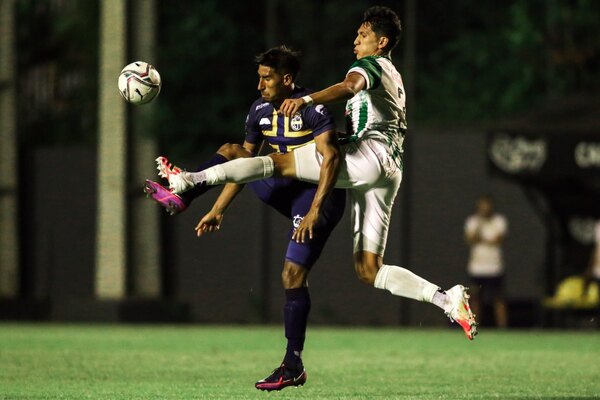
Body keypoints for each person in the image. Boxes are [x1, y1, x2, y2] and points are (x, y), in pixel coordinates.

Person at [155, 3, 477, 383]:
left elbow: (349, 86)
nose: (356, 39)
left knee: (278, 162)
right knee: (368, 269)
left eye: (363, 35)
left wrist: (308, 100)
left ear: (382, 41)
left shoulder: (370, 67)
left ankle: (189, 181)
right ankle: (446, 299)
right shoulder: (393, 73)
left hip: (368, 156)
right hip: (389, 170)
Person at [144, 46, 346, 391]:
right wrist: (219, 208)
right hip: (281, 187)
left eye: (266, 78)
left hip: (316, 199)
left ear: (287, 79)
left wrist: (314, 210)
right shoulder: (260, 111)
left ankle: (292, 363)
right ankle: (184, 195)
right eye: (259, 78)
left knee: (292, 274)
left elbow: (331, 159)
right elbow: (243, 168)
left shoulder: (313, 108)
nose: (260, 85)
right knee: (232, 150)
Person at [464, 195, 508, 328]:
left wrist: (481, 239)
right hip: (477, 267)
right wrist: (480, 225)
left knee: (498, 298)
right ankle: (474, 325)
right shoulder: (473, 221)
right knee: (476, 298)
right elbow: (470, 239)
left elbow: (498, 240)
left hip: (495, 267)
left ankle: (502, 327)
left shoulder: (499, 221)